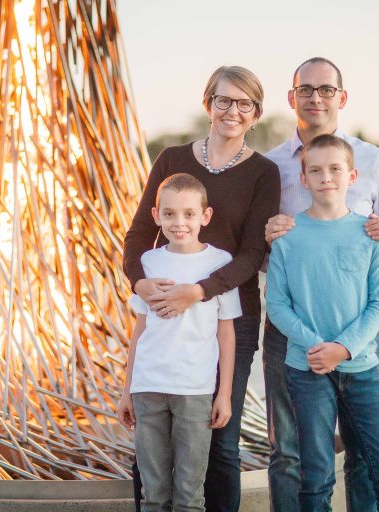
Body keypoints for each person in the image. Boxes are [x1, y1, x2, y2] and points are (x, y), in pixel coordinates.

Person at [123, 66, 280, 512]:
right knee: (153, 449)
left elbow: (252, 253)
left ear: (255, 114)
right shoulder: (173, 158)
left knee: (221, 443)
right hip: (166, 312)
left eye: (244, 103)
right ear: (208, 104)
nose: (233, 111)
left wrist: (200, 290)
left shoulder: (263, 173)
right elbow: (138, 232)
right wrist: (140, 280)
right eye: (224, 100)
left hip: (231, 316)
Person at [262, 57, 379, 511]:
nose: (315, 97)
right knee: (289, 450)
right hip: (292, 334)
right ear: (291, 98)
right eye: (305, 89)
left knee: (364, 451)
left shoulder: (371, 160)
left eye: (326, 89)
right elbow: (260, 244)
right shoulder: (268, 166)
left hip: (356, 335)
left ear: (341, 98)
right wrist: (264, 233)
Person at [117, 173, 241, 511]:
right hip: (148, 388)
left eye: (188, 213)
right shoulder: (149, 263)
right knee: (153, 494)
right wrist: (128, 389)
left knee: (189, 495)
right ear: (156, 216)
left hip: (195, 389)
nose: (179, 222)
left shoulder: (219, 264)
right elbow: (140, 331)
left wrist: (225, 394)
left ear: (205, 216)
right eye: (169, 214)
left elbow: (225, 332)